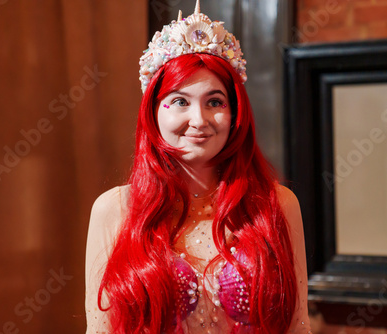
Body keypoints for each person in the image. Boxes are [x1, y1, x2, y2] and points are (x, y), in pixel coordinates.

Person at [85, 1, 312, 333]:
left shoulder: (277, 204)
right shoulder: (115, 209)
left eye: (215, 102)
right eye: (179, 101)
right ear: (154, 112)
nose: (199, 120)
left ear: (235, 114)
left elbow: (297, 326)